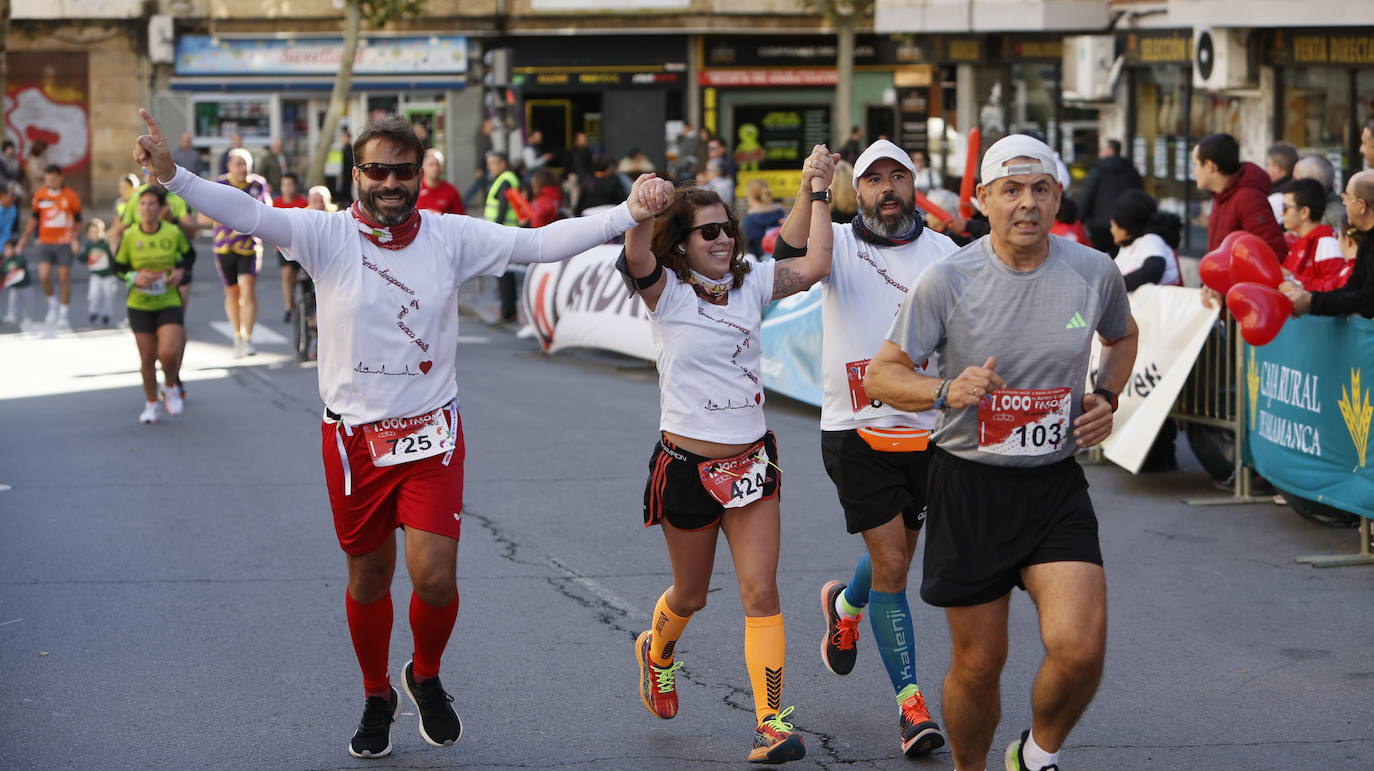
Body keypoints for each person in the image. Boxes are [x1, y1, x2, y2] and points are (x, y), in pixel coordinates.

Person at [135, 106, 673, 760]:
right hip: (354, 440)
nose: (390, 182)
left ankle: (425, 673)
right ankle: (376, 694)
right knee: (369, 577)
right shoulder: (324, 234)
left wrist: (626, 212)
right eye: (377, 170)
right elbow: (248, 214)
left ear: (421, 175)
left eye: (403, 171)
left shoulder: (450, 236)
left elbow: (538, 244)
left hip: (431, 434)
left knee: (435, 576)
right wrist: (174, 176)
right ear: (356, 174)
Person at [864, 134, 1139, 771]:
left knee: (1081, 649)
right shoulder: (948, 279)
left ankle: (1036, 755)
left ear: (1058, 198)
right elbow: (882, 375)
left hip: (1053, 485)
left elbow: (1122, 337)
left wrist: (1106, 394)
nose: (1027, 204)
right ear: (983, 199)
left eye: (1040, 189)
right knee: (980, 664)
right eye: (1011, 190)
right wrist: (945, 389)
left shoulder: (1093, 270)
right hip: (970, 484)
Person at [621, 146, 836, 765]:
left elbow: (815, 263)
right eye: (707, 232)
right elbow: (636, 255)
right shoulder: (666, 293)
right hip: (687, 469)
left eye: (727, 228)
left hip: (751, 466)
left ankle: (771, 722)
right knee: (690, 596)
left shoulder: (752, 283)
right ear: (682, 243)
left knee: (761, 592)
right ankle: (658, 650)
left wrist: (818, 191)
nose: (721, 239)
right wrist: (642, 209)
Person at [774, 139, 959, 757]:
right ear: (860, 191)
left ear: (913, 184)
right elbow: (786, 258)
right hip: (854, 431)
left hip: (927, 431)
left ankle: (846, 606)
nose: (886, 189)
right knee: (895, 567)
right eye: (874, 179)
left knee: (895, 559)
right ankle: (911, 707)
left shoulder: (945, 253)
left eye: (896, 177)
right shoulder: (836, 242)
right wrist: (811, 188)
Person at [113, 186, 190, 424]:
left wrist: (179, 272)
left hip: (168, 300)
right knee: (147, 358)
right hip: (140, 304)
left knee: (167, 353)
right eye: (143, 204)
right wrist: (134, 278)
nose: (147, 208)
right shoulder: (130, 236)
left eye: (152, 204)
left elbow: (188, 256)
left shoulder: (172, 232)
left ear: (161, 208)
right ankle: (151, 404)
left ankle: (170, 386)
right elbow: (119, 267)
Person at [1281, 171, 1374, 319]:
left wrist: (1310, 300)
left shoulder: (1326, 242)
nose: (1343, 203)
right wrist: (1310, 299)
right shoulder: (1367, 239)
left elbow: (1366, 299)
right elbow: (1351, 288)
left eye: (1347, 197)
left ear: (1361, 205)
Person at [208, 147, 271, 356]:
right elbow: (209, 210)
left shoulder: (257, 184)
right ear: (229, 166)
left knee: (247, 289)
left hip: (249, 246)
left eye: (246, 164)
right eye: (238, 164)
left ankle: (249, 338)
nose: (243, 169)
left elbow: (267, 209)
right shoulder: (221, 184)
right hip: (224, 245)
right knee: (232, 292)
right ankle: (237, 335)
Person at [1193, 132, 1288, 259]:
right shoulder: (1220, 197)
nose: (1194, 172)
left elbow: (1274, 253)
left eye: (1196, 164)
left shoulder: (1248, 199)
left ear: (1210, 166)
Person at [16, 163, 81, 331]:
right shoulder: (40, 195)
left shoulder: (71, 196)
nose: (50, 182)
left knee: (63, 278)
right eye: (47, 179)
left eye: (53, 179)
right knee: (44, 275)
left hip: (64, 242)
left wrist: (75, 239)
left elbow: (78, 220)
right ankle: (52, 304)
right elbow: (34, 219)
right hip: (45, 241)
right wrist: (24, 239)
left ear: (60, 178)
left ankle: (63, 314)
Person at [1079, 138, 1143, 255]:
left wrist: (1080, 218)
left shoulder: (1098, 169)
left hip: (1099, 225)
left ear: (1110, 150)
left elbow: (1088, 195)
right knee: (1121, 258)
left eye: (1102, 149)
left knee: (1096, 258)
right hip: (1124, 223)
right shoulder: (1132, 170)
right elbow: (1139, 196)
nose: (1100, 152)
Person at [1110, 190, 1182, 290]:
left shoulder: (1152, 240)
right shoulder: (1128, 247)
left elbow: (1153, 270)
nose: (1111, 230)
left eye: (1113, 225)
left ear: (1126, 227)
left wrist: (1115, 285)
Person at [1279, 178, 1342, 292]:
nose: (1281, 213)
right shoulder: (1299, 241)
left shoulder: (1327, 242)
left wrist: (1294, 280)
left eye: (1285, 208)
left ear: (1304, 212)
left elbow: (1335, 288)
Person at [483, 152, 522, 323]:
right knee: (504, 273)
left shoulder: (505, 180)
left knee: (504, 273)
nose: (489, 167)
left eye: (492, 163)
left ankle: (508, 313)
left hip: (503, 232)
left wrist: (494, 230)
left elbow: (503, 207)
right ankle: (508, 312)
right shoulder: (504, 179)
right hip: (505, 232)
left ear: (502, 163)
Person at [273, 173, 309, 323]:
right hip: (283, 246)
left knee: (303, 278)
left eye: (290, 185)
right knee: (287, 274)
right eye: (284, 185)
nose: (287, 188)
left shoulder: (304, 203)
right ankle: (289, 307)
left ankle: (308, 306)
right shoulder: (275, 203)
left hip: (302, 246)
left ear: (295, 186)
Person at [81, 218, 119, 326]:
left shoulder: (106, 244)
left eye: (97, 231)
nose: (95, 234)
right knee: (93, 294)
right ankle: (93, 311)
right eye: (91, 232)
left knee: (109, 295)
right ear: (88, 234)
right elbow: (83, 258)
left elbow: (114, 257)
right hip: (96, 275)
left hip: (109, 275)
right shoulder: (89, 245)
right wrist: (77, 253)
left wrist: (112, 245)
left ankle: (107, 313)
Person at [1293, 154, 1346, 228]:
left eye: (1296, 180)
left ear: (1310, 185)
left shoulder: (1335, 216)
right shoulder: (1312, 207)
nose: (1292, 185)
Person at [742, 179, 786, 259]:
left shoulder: (750, 219)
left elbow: (748, 245)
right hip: (781, 259)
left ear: (751, 197)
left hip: (759, 262)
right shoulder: (779, 213)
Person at [417, 149, 465, 216]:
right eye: (431, 164)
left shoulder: (451, 190)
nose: (435, 168)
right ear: (423, 167)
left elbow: (461, 217)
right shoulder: (415, 189)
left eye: (438, 164)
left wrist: (439, 216)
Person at [2, 238, 34, 327]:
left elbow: (20, 264)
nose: (6, 251)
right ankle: (12, 315)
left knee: (27, 302)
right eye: (5, 249)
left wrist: (11, 267)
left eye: (8, 249)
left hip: (25, 285)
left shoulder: (19, 258)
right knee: (12, 302)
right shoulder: (6, 260)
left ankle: (28, 317)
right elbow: (4, 270)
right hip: (14, 286)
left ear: (14, 249)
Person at [1264, 141, 1299, 221]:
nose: (1266, 169)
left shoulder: (1277, 198)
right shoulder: (1295, 189)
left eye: (1268, 164)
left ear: (1277, 168)